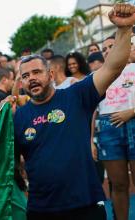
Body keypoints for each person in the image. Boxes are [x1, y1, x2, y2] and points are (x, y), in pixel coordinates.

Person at [13, 4, 134, 219]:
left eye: (37, 72)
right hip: (41, 211)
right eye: (25, 75)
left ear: (50, 74)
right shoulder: (18, 116)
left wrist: (124, 30)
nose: (31, 78)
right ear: (21, 82)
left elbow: (112, 68)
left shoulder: (77, 95)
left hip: (85, 206)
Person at [95, 34, 135, 220]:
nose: (107, 50)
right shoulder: (97, 76)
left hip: (133, 124)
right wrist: (90, 140)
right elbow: (92, 111)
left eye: (111, 46)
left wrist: (131, 112)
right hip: (107, 129)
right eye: (104, 49)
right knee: (117, 184)